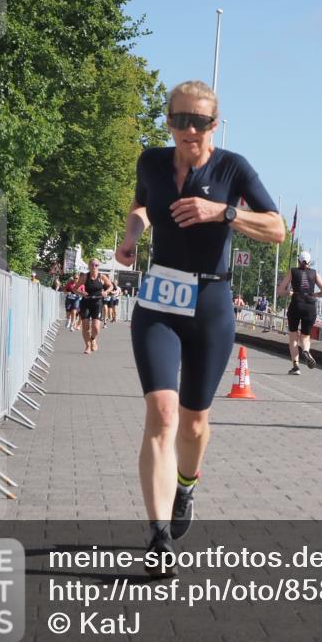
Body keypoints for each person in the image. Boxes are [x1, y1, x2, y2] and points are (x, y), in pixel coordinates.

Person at [114, 80, 284, 576]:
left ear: (215, 124)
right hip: (159, 301)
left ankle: (186, 485)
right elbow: (142, 205)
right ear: (167, 121)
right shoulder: (151, 161)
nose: (190, 130)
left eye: (201, 122)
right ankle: (158, 534)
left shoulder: (233, 167)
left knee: (192, 422)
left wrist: (224, 212)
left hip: (211, 302)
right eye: (180, 120)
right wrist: (132, 236)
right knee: (162, 414)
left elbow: (277, 228)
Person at [276, 251, 322, 375]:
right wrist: (315, 294)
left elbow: (280, 290)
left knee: (293, 336)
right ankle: (306, 350)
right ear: (309, 262)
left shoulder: (292, 271)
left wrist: (289, 293)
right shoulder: (314, 273)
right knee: (305, 336)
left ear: (298, 261)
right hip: (310, 306)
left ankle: (296, 367)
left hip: (296, 304)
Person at [76, 259, 112, 354]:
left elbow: (111, 286)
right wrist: (81, 292)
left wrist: (106, 292)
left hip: (97, 302)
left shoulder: (101, 277)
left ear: (98, 266)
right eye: (92, 265)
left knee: (96, 327)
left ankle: (93, 339)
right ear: (89, 266)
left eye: (96, 265)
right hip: (86, 302)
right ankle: (87, 346)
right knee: (85, 326)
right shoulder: (85, 277)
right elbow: (74, 288)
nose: (94, 267)